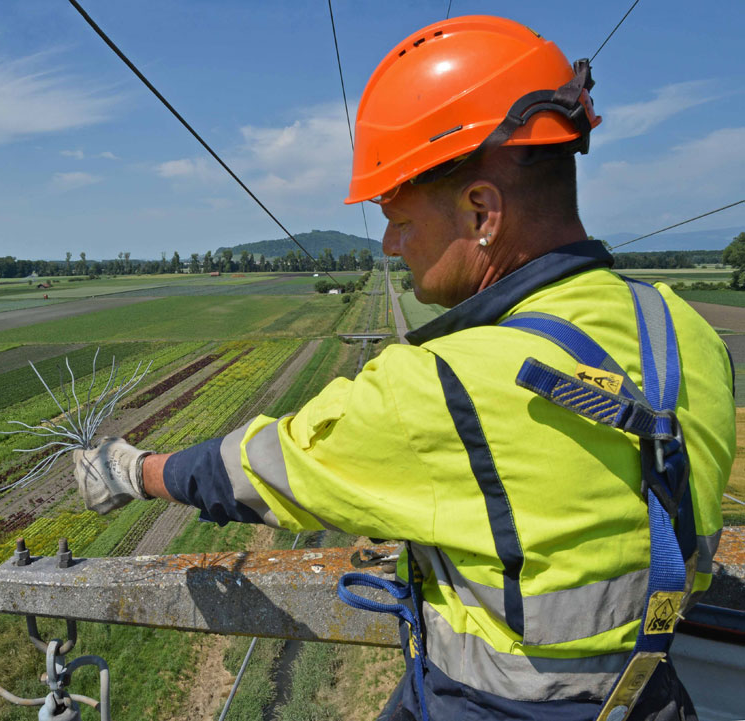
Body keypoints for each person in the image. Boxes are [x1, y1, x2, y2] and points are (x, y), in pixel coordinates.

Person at [73, 15, 734, 721]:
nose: (389, 244)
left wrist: (130, 469)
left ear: (482, 211)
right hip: (655, 700)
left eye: (399, 217)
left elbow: (259, 468)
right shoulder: (686, 332)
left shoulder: (446, 385)